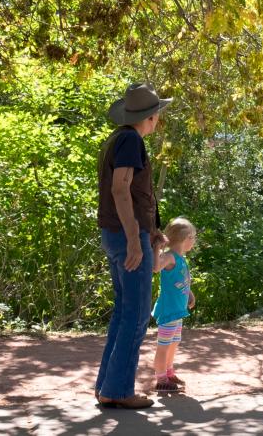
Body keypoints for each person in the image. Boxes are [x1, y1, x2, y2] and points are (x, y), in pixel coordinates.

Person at [94, 82, 171, 409]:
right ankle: (119, 391)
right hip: (126, 237)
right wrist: (133, 239)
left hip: (120, 234)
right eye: (158, 116)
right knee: (137, 315)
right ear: (151, 117)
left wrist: (150, 232)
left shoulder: (119, 140)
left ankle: (108, 386)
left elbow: (131, 194)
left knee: (125, 313)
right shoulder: (129, 141)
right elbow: (121, 190)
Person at [152, 217, 197, 393]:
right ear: (184, 238)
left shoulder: (180, 258)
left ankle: (169, 373)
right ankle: (161, 378)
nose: (194, 241)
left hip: (178, 311)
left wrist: (190, 295)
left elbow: (182, 281)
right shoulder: (169, 257)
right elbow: (155, 268)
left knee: (173, 343)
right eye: (192, 237)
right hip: (169, 310)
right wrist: (157, 248)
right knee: (163, 346)